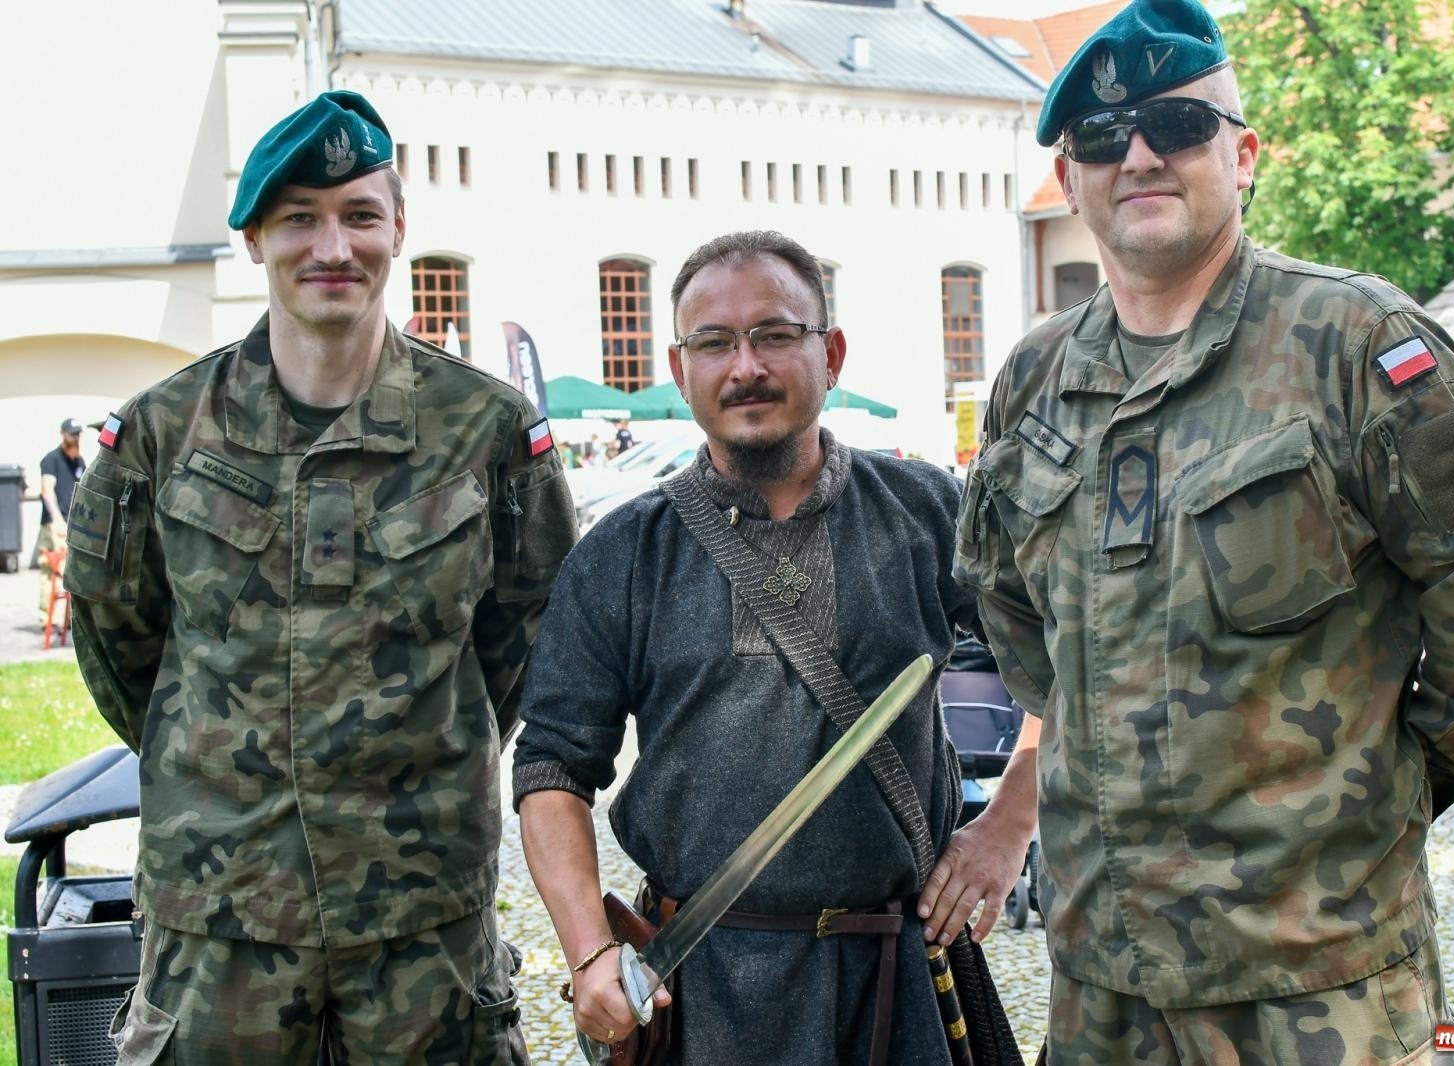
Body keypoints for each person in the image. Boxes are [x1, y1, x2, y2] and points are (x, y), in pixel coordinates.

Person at [952, 1, 1454, 1062]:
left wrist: (1389, 780)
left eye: (1176, 125)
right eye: (1102, 139)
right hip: (1101, 984)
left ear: (1241, 156)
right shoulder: (1035, 376)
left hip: (1314, 981)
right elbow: (1014, 614)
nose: (1138, 155)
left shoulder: (1354, 343)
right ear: (1070, 179)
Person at [65, 90, 577, 1063]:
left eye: (359, 215)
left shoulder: (490, 432)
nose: (332, 247)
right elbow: (118, 644)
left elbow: (526, 650)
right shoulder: (162, 434)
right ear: (255, 238)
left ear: (399, 231)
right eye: (300, 217)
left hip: (424, 924)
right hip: (221, 920)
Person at [514, 230, 1035, 1065]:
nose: (745, 366)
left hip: (899, 980)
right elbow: (550, 768)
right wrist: (588, 950)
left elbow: (1072, 662)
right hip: (704, 992)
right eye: (713, 342)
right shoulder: (622, 553)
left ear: (831, 353)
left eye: (775, 335)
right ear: (680, 369)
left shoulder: (928, 511)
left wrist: (1008, 825)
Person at [36, 417, 84, 619]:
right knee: (53, 570)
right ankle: (45, 618)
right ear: (63, 434)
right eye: (72, 434)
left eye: (78, 434)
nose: (75, 437)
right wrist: (56, 519)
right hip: (55, 524)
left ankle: (72, 619)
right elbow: (47, 490)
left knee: (73, 570)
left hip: (74, 524)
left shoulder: (78, 461)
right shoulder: (51, 459)